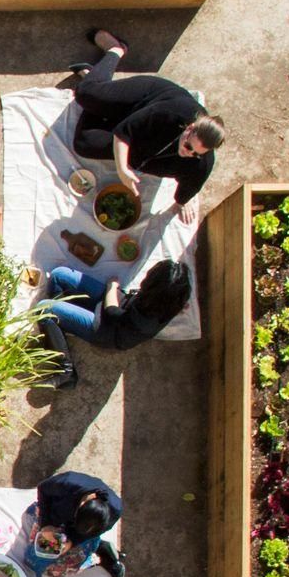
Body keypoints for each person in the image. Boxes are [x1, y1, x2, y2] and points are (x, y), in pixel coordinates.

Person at [68, 33, 223, 229]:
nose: (188, 153)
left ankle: (99, 93)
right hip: (143, 99)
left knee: (84, 144)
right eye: (188, 146)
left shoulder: (201, 164)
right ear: (190, 128)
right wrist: (122, 169)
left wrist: (183, 202)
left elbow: (188, 188)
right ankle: (115, 52)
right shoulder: (172, 111)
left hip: (142, 136)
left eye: (195, 154)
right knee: (85, 94)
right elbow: (125, 131)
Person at [36, 260, 194, 390]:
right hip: (119, 306)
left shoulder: (144, 321)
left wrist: (112, 286)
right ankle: (59, 325)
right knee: (59, 274)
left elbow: (112, 312)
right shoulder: (172, 301)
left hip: (108, 330)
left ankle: (66, 372)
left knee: (43, 309)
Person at [16, 469, 125, 577]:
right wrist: (46, 525)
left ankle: (105, 554)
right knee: (32, 558)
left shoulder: (114, 511)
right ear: (81, 505)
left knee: (54, 570)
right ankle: (100, 546)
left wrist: (72, 541)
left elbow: (92, 533)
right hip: (54, 516)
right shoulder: (68, 483)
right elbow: (43, 489)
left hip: (81, 535)